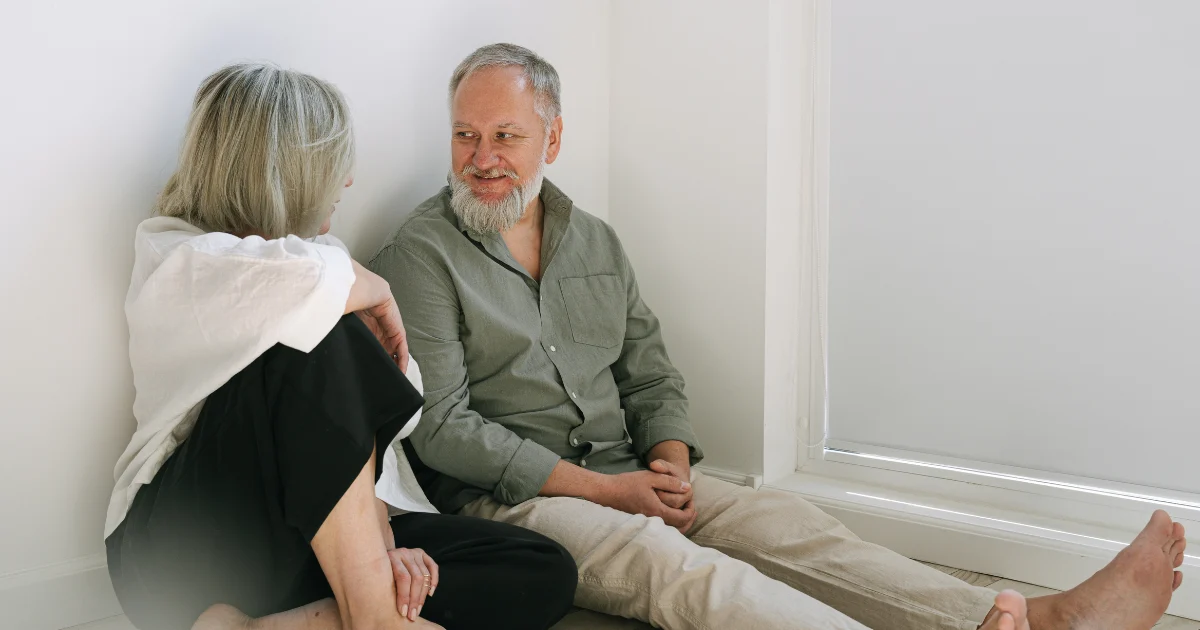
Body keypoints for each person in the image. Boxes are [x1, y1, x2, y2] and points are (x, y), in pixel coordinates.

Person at [370, 43, 1189, 630]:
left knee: (788, 526)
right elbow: (440, 428)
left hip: (626, 470)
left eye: (505, 135)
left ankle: (1026, 619)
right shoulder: (421, 254)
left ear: (551, 139)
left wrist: (671, 465)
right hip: (515, 503)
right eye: (464, 135)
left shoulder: (595, 241)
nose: (482, 158)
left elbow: (651, 375)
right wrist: (609, 495)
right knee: (682, 573)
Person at [104, 62, 577, 630]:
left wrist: (379, 549)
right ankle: (373, 615)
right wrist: (370, 288)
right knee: (325, 328)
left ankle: (275, 624)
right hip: (183, 546)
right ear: (286, 172)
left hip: (307, 544)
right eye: (333, 165)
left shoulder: (319, 262)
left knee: (539, 567)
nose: (347, 182)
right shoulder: (177, 256)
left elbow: (363, 432)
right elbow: (297, 293)